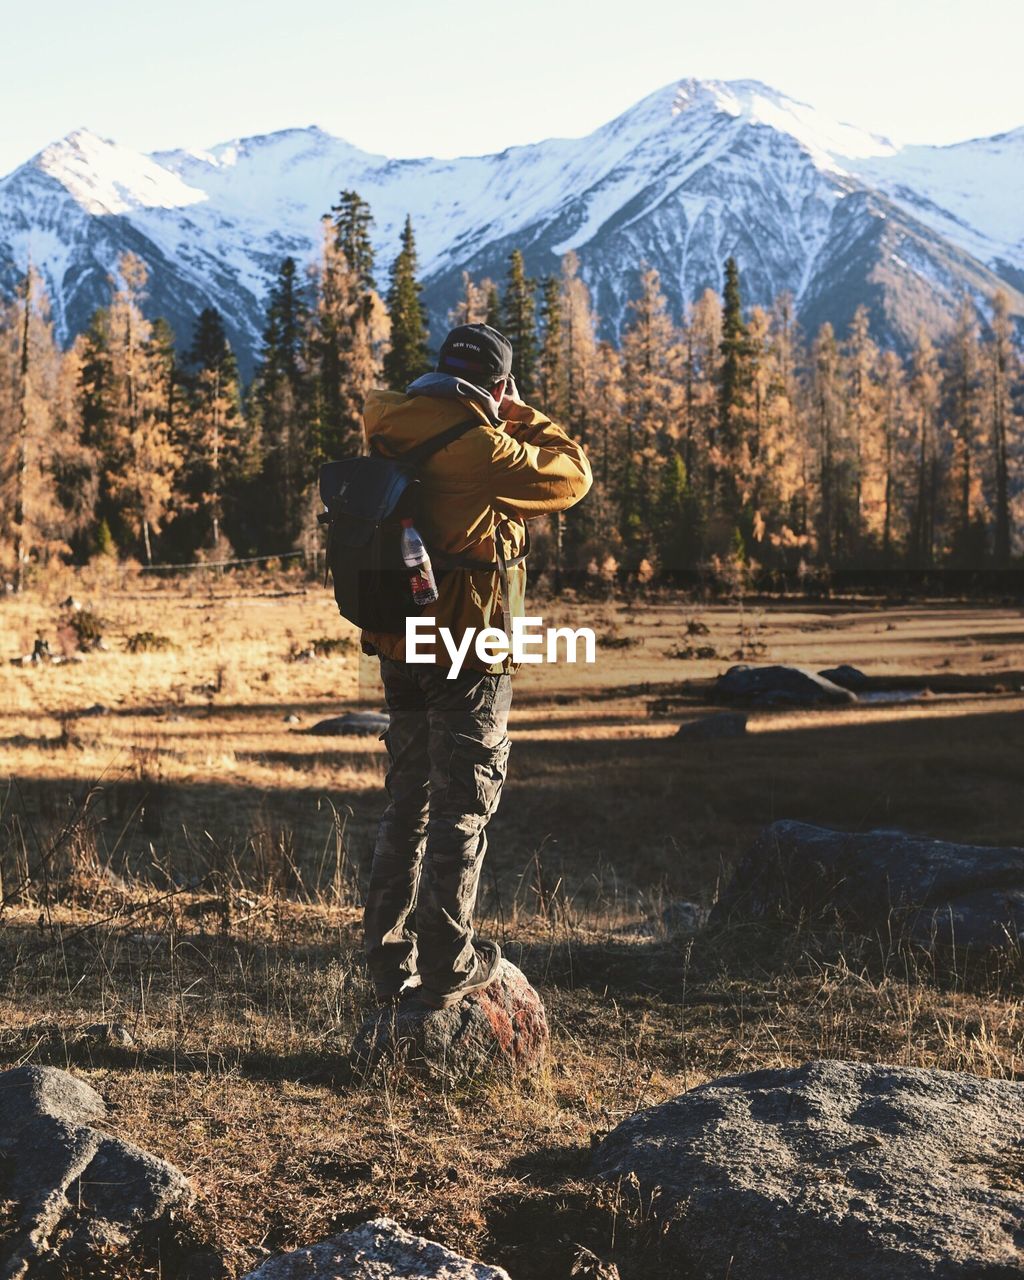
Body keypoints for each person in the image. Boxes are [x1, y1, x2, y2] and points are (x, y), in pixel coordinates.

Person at [361, 322, 592, 1009]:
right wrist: (523, 413)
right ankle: (446, 966)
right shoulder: (487, 446)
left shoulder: (389, 421)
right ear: (496, 385)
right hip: (467, 644)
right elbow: (572, 474)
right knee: (463, 808)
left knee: (405, 804)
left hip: (400, 643)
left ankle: (386, 959)